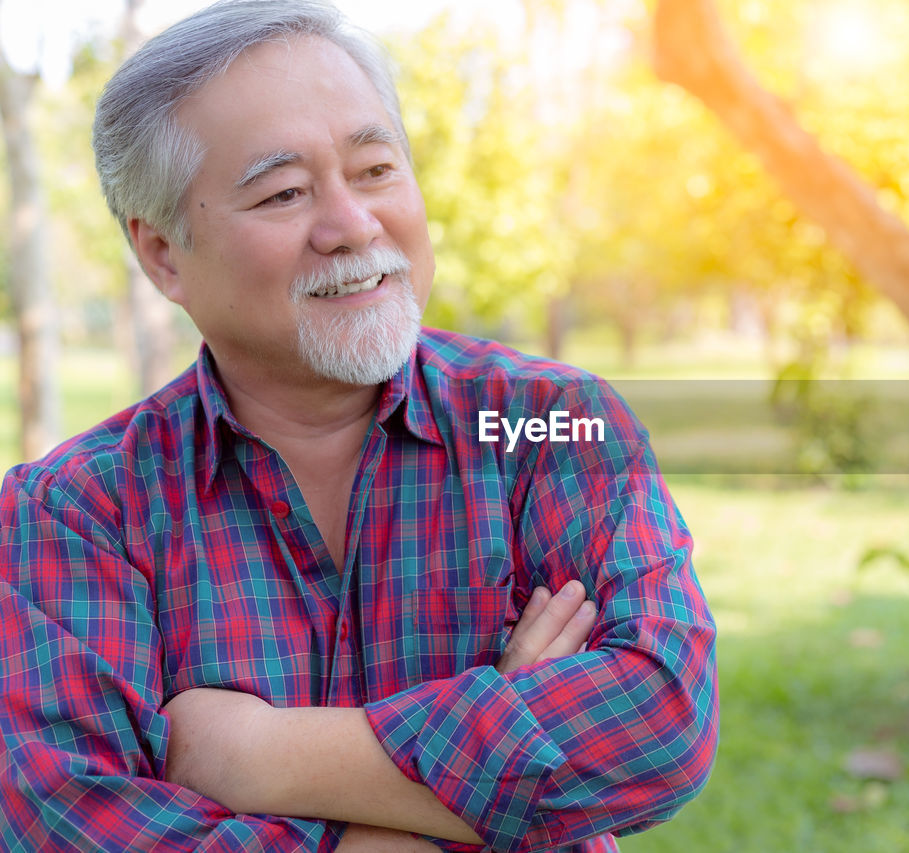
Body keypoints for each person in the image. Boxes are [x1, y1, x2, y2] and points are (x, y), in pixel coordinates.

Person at [0, 1, 717, 850]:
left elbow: (660, 717)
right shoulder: (75, 512)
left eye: (376, 169)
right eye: (285, 193)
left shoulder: (551, 427)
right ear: (162, 254)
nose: (353, 226)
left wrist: (253, 755)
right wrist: (495, 773)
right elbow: (67, 821)